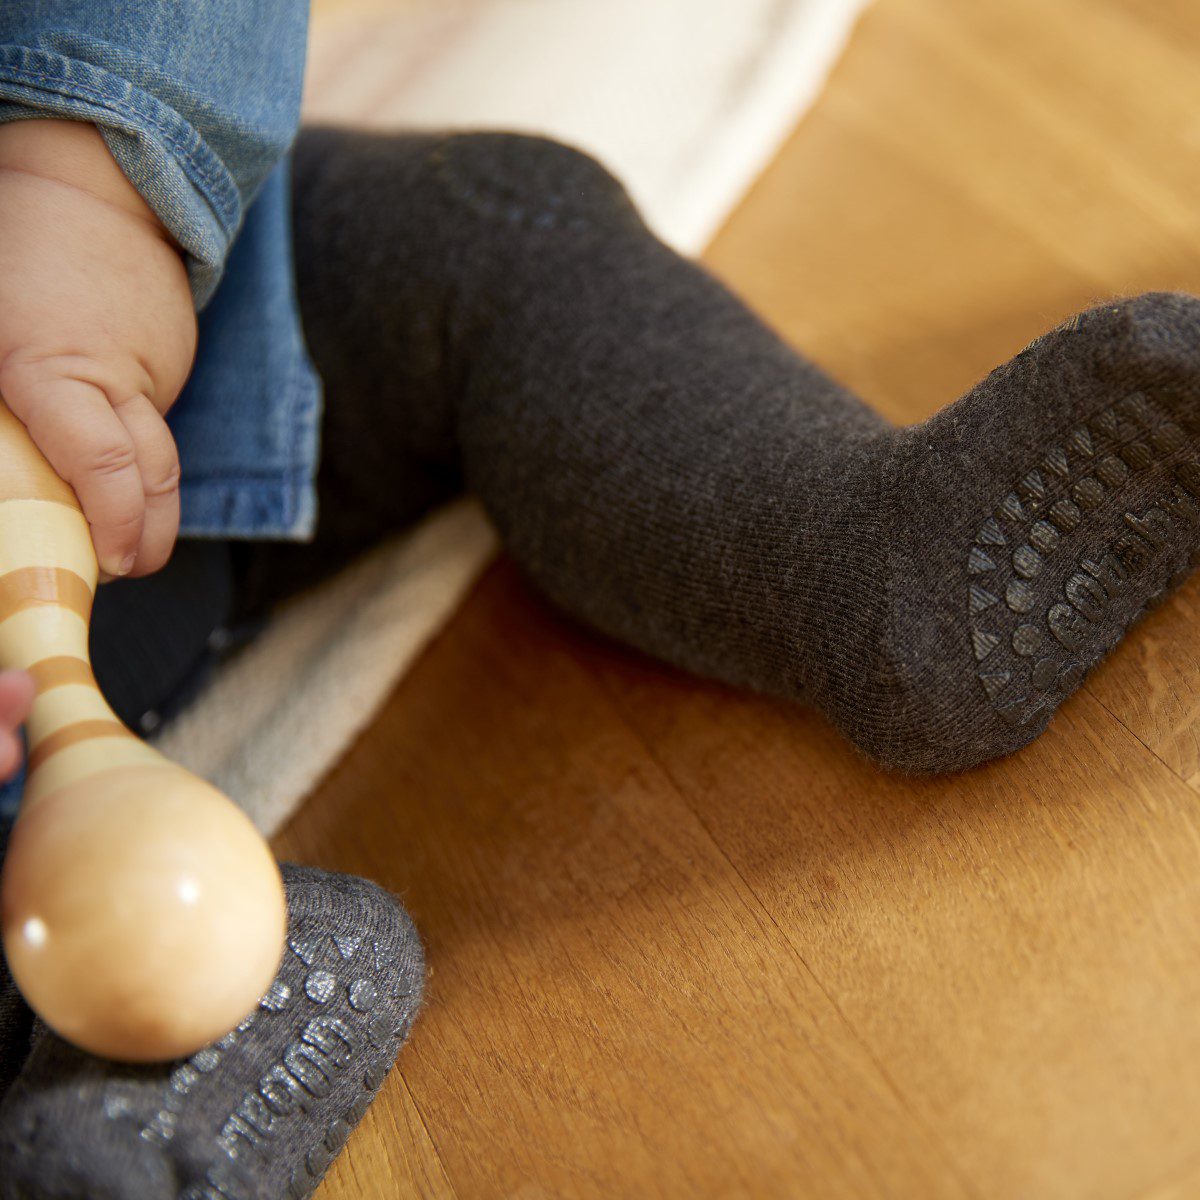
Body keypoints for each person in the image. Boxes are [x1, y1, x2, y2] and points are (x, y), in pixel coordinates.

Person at [4, 2, 1200, 1196]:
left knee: (479, 229)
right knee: (104, 996)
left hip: (123, 342)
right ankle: (123, 1078)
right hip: (41, 856)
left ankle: (877, 572)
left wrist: (79, 174)